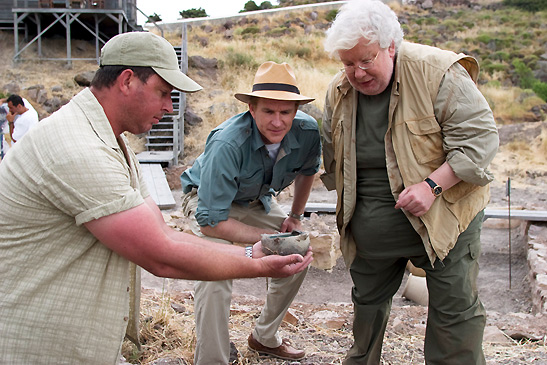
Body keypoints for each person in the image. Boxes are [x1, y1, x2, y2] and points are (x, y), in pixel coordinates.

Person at [0, 32, 312, 364]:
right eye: (163, 93)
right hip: (36, 345)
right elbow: (160, 256)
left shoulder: (112, 142)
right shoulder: (79, 149)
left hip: (71, 335)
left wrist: (254, 249)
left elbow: (162, 232)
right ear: (127, 80)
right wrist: (257, 261)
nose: (169, 106)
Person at [321, 0, 499, 364]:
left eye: (366, 60)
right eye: (347, 63)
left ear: (391, 46)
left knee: (455, 315)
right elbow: (333, 158)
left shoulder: (437, 72)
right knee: (366, 312)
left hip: (444, 222)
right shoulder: (338, 92)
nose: (357, 72)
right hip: (371, 232)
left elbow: (480, 141)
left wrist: (432, 185)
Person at [180, 61, 321, 364]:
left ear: (296, 111)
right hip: (209, 204)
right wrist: (268, 239)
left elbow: (308, 171)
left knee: (299, 250)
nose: (277, 121)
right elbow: (211, 222)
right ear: (252, 109)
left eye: (285, 112)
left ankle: (265, 337)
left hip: (257, 200)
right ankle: (212, 359)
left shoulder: (308, 131)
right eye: (268, 111)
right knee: (214, 273)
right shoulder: (227, 142)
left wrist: (295, 218)